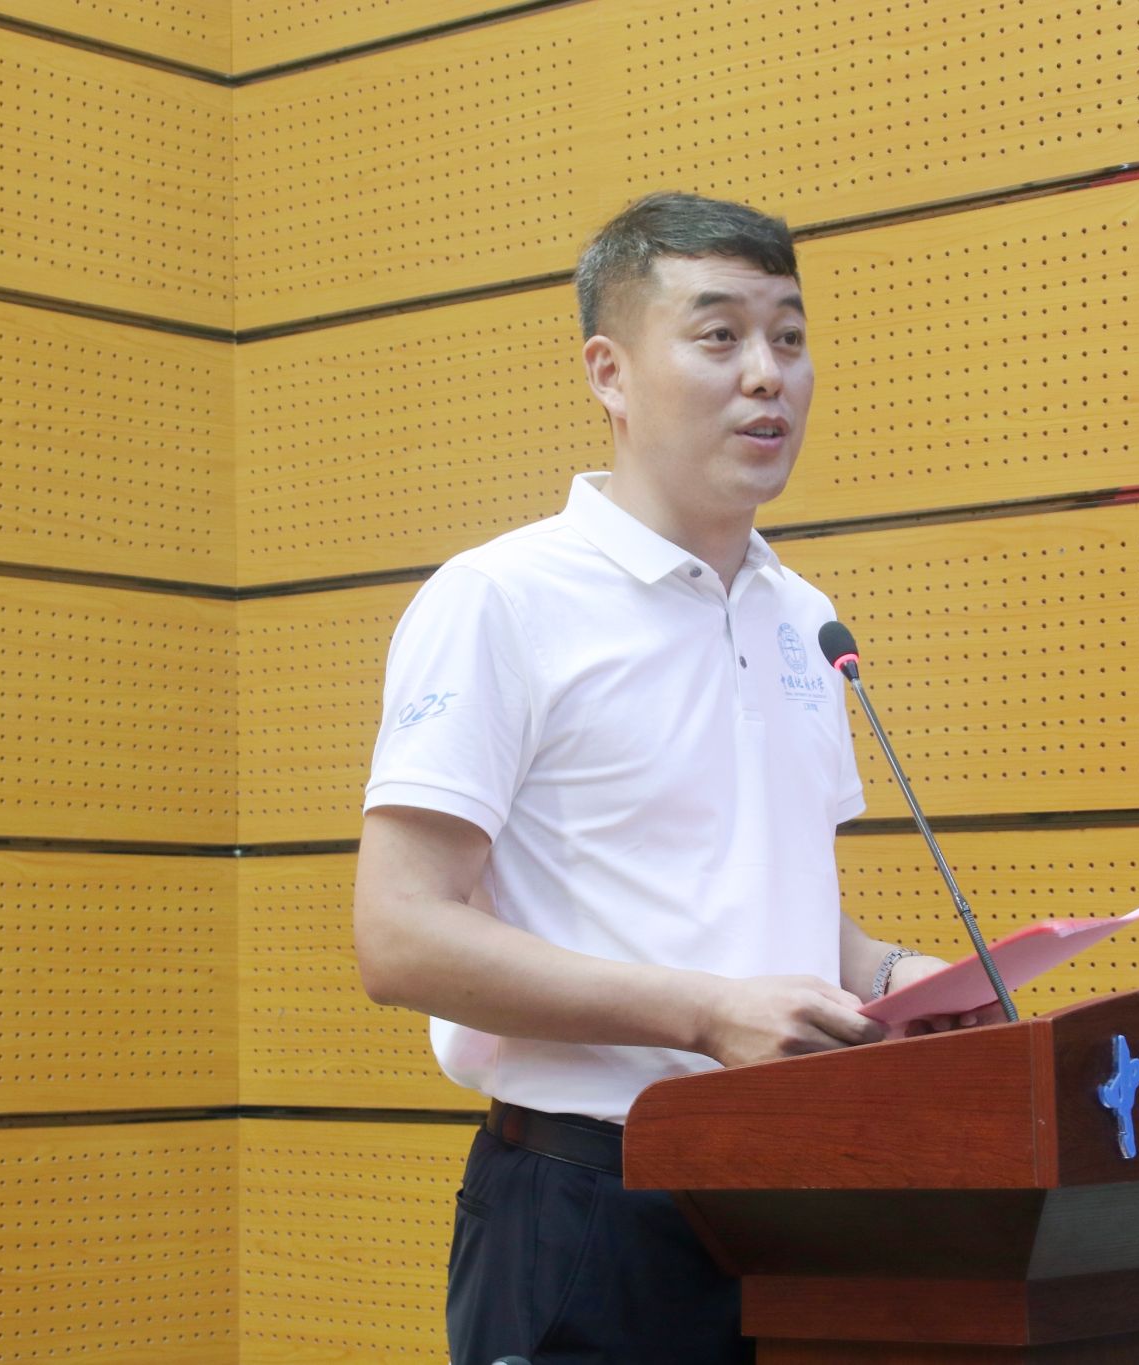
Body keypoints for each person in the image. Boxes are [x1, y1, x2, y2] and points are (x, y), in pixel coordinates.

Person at [353, 192, 997, 1365]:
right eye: (718, 336)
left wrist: (897, 980)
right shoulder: (500, 600)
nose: (766, 375)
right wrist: (701, 1015)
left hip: (805, 1206)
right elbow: (399, 937)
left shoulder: (802, 616)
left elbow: (758, 898)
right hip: (592, 1208)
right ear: (608, 372)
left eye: (788, 338)